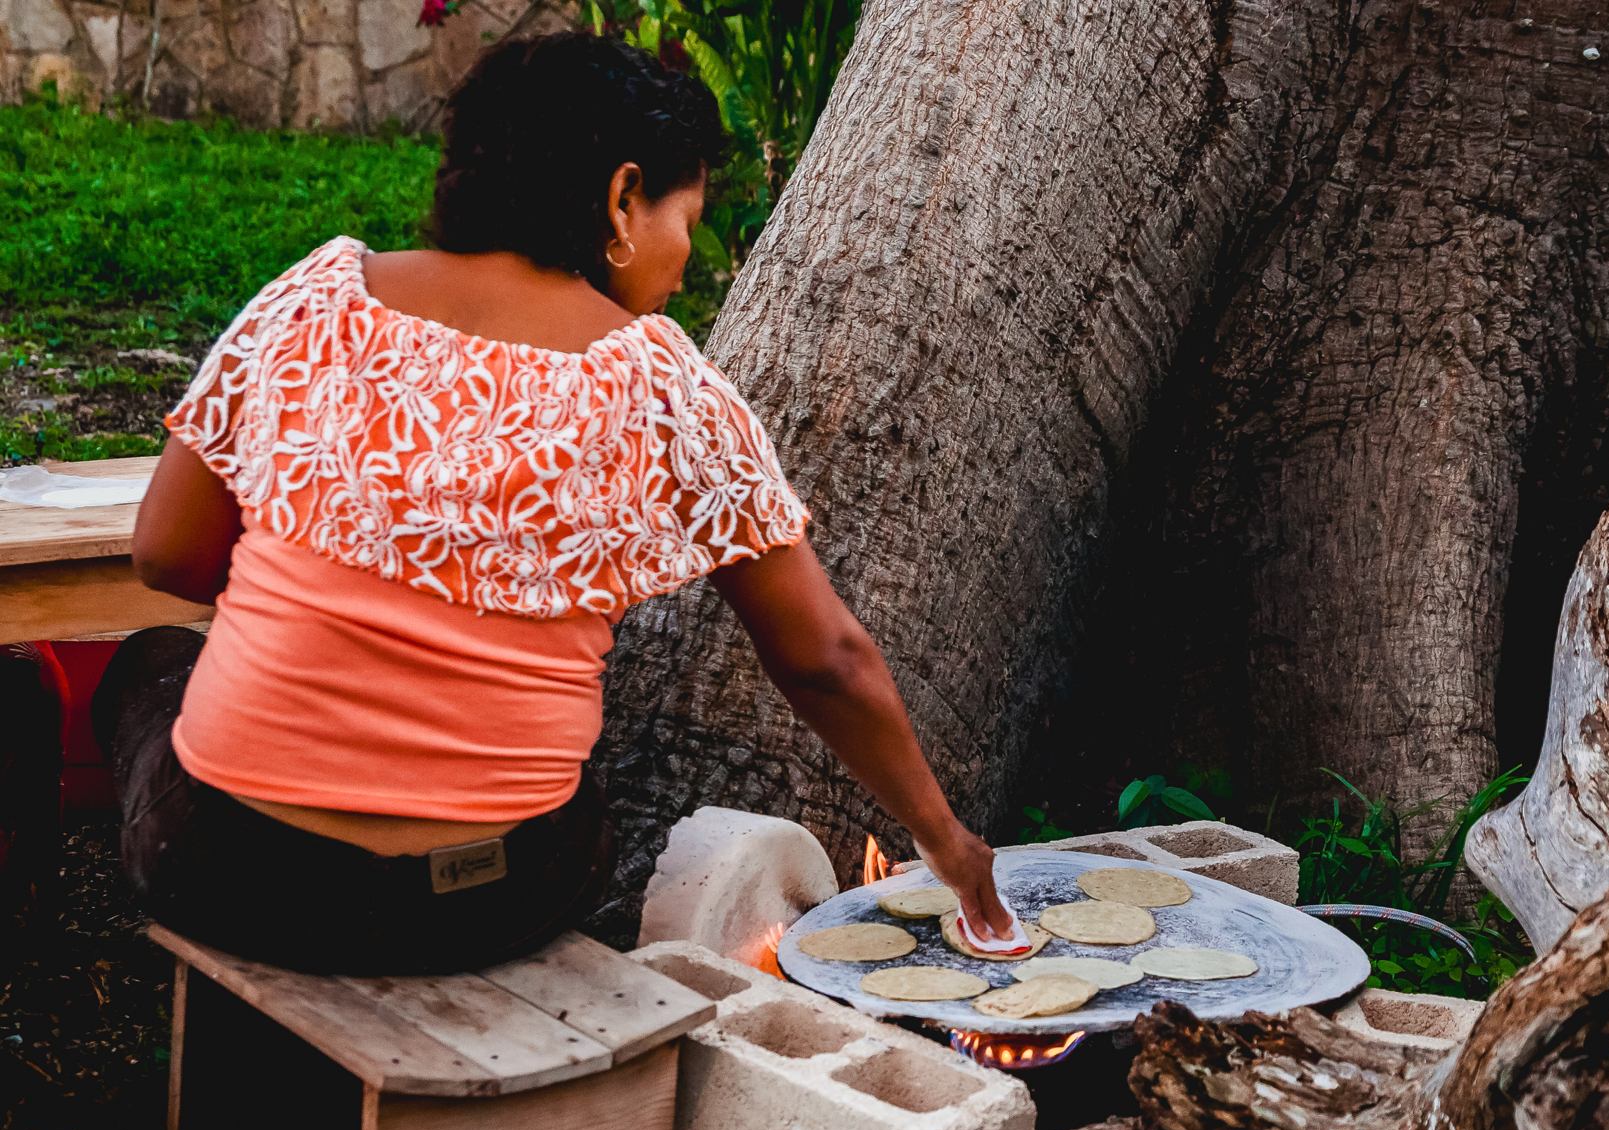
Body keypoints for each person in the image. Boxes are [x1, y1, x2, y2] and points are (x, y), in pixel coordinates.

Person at [98, 31, 1024, 975]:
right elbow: (825, 658)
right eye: (688, 217)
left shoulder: (315, 300)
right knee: (567, 795)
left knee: (151, 663)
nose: (686, 258)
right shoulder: (667, 386)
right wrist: (946, 840)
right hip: (488, 898)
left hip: (227, 873)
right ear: (623, 198)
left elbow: (166, 557)